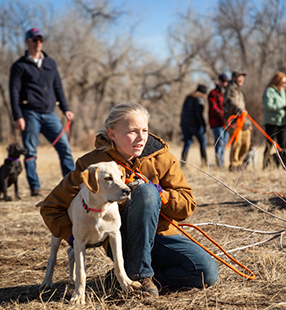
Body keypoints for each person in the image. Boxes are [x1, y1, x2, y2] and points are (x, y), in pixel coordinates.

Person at [40, 103, 219, 296]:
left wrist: (161, 195)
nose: (141, 138)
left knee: (206, 273)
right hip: (124, 240)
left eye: (145, 130)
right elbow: (51, 207)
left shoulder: (163, 159)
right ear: (112, 134)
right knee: (145, 192)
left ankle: (124, 277)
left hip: (162, 236)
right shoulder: (93, 165)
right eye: (132, 132)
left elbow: (187, 205)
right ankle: (140, 277)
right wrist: (74, 236)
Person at [9, 28, 75, 197]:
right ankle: (35, 187)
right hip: (30, 114)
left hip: (50, 113)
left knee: (65, 148)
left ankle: (73, 183)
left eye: (40, 39)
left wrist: (65, 108)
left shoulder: (50, 63)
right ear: (27, 42)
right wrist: (18, 116)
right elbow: (14, 91)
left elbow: (58, 87)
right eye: (34, 39)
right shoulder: (19, 66)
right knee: (30, 152)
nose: (38, 42)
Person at [224, 71, 252, 172]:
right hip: (234, 121)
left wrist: (248, 123)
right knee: (237, 143)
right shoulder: (230, 88)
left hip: (243, 121)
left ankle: (240, 163)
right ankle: (234, 165)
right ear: (233, 78)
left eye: (242, 78)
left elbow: (243, 109)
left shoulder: (239, 91)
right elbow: (229, 103)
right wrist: (238, 110)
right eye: (239, 77)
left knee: (246, 143)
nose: (241, 79)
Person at [262, 72, 286, 168]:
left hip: (282, 121)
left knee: (282, 145)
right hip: (271, 122)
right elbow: (268, 106)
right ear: (277, 81)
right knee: (270, 144)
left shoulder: (282, 91)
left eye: (285, 83)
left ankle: (283, 165)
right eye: (283, 83)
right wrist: (281, 107)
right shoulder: (269, 91)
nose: (284, 85)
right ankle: (265, 165)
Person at [180, 84, 208, 167]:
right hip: (195, 124)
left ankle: (183, 163)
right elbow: (199, 113)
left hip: (185, 124)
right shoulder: (199, 98)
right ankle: (204, 163)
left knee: (187, 143)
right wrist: (203, 124)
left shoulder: (188, 98)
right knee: (203, 141)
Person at [208, 73, 229, 167]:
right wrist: (224, 116)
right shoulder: (213, 93)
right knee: (219, 141)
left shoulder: (227, 93)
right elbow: (214, 108)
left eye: (226, 81)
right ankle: (219, 162)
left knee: (225, 142)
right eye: (223, 81)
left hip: (227, 122)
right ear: (219, 81)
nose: (225, 83)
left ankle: (222, 160)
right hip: (216, 122)